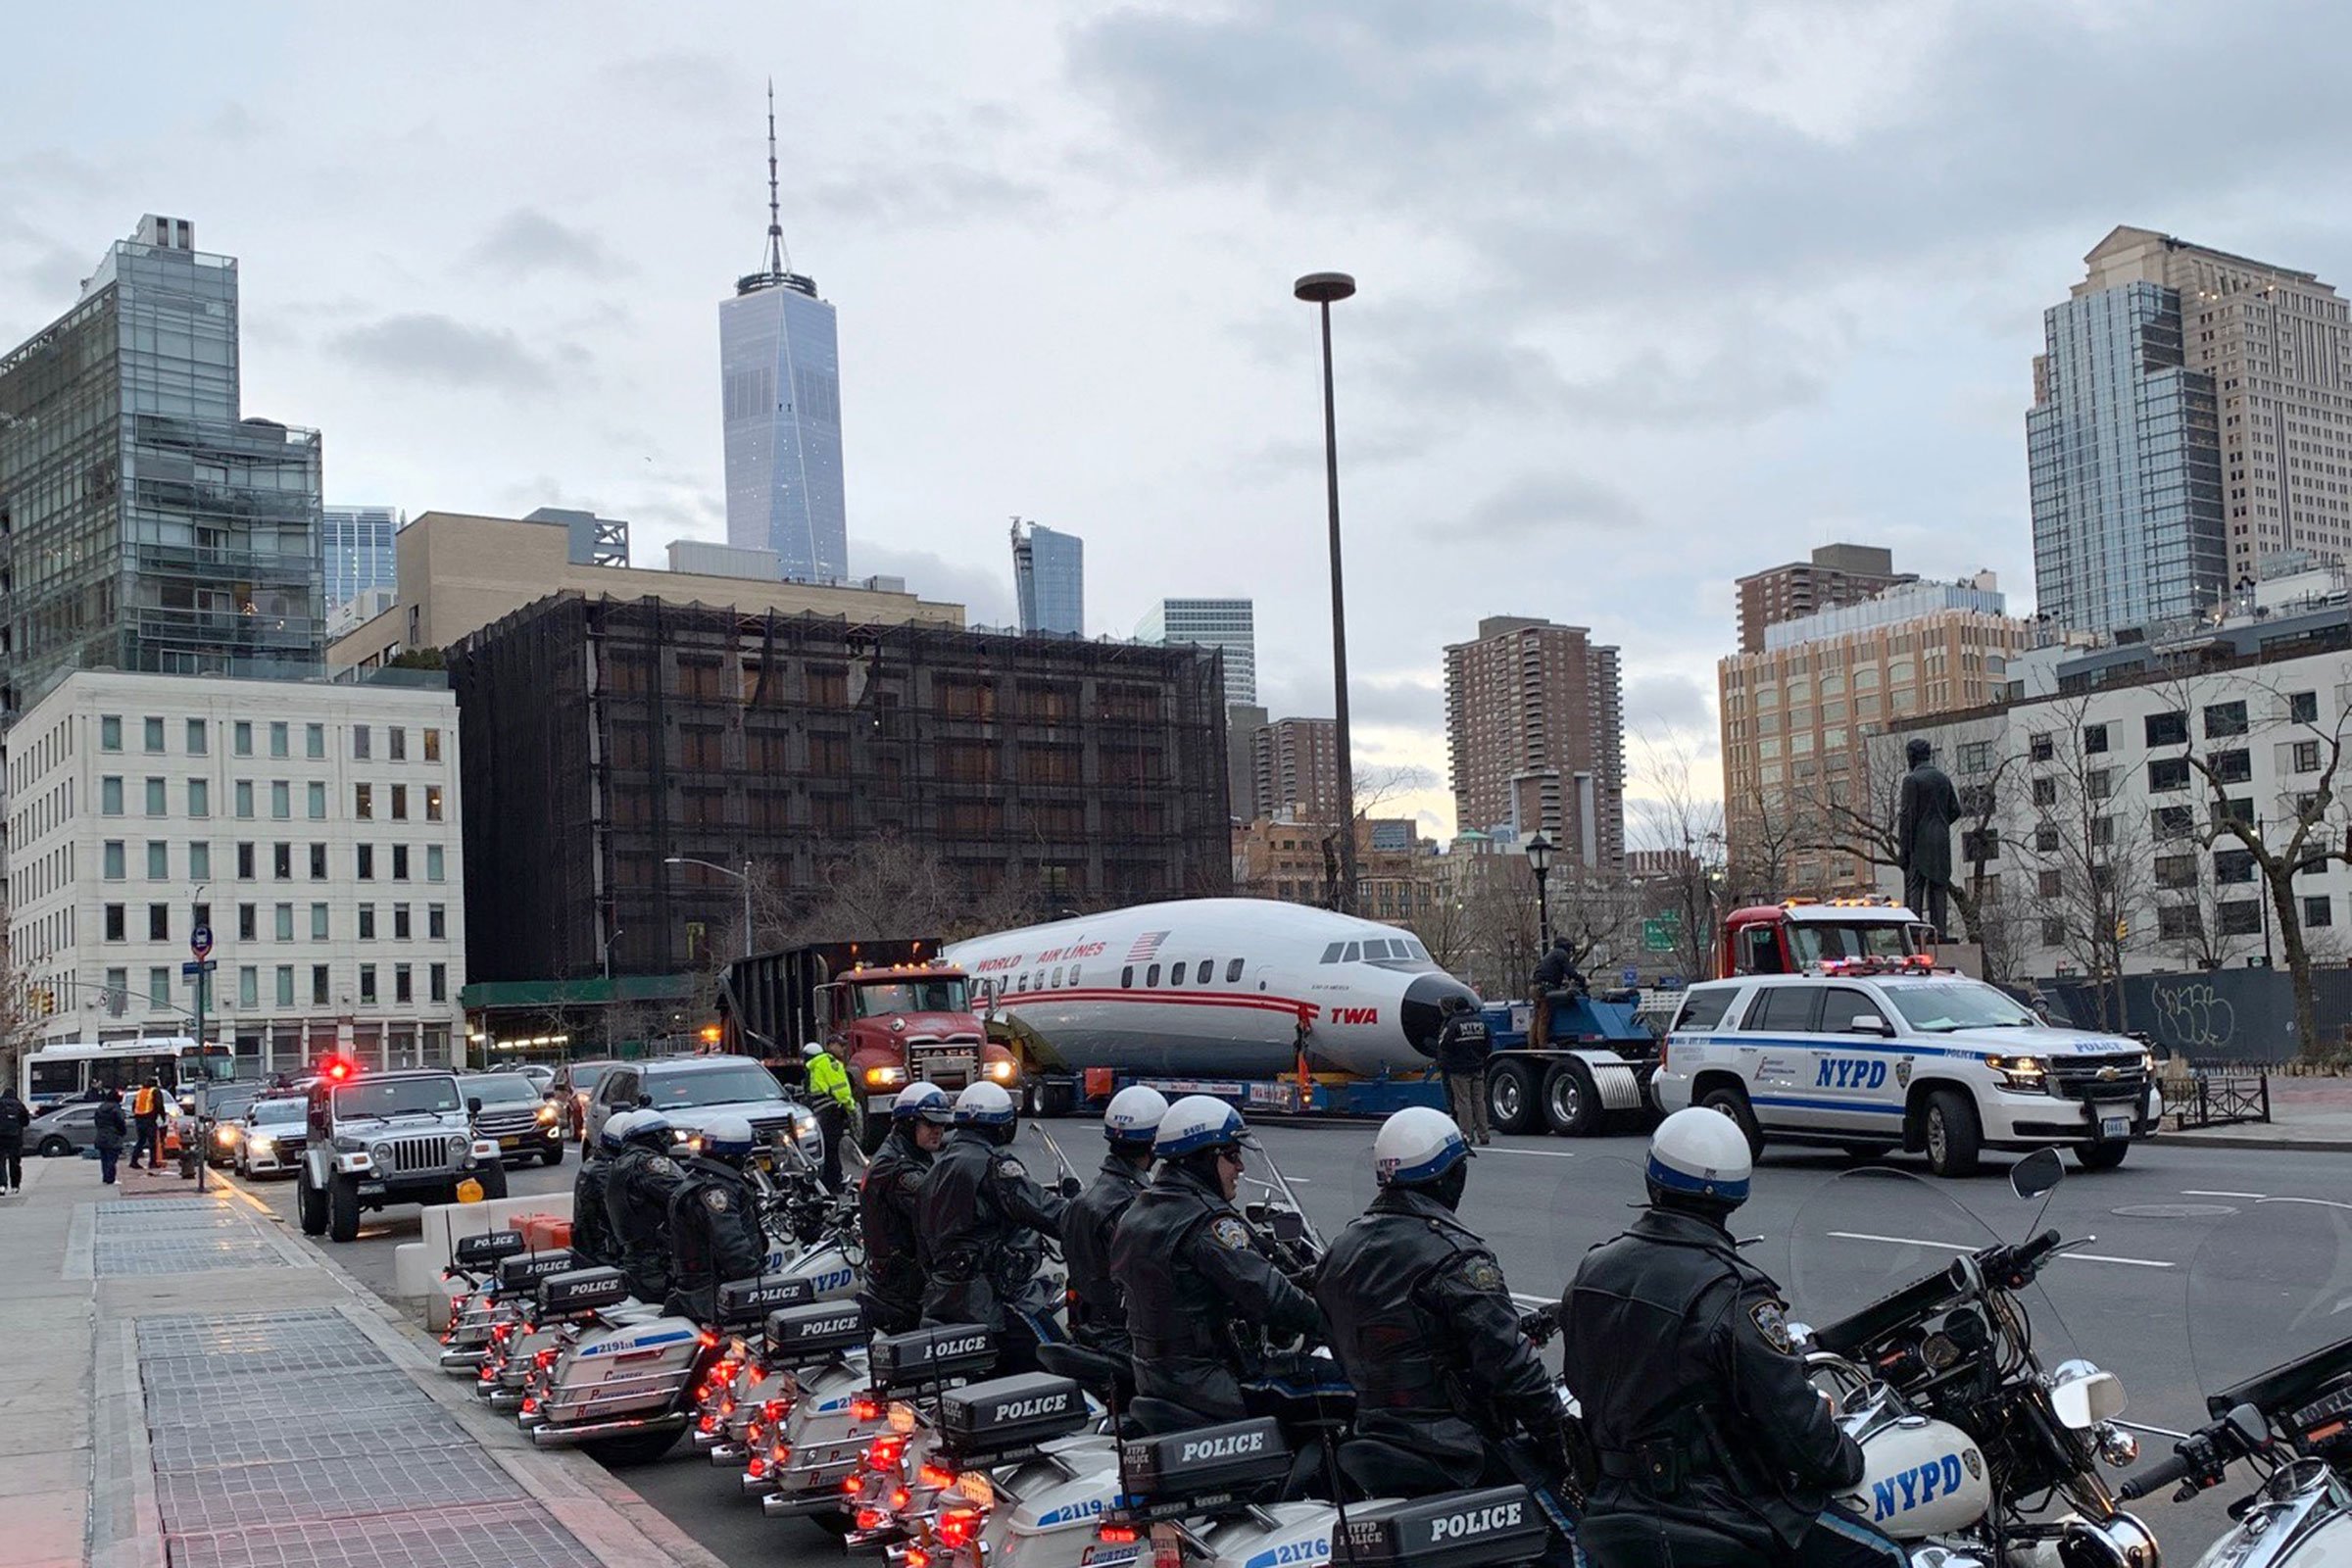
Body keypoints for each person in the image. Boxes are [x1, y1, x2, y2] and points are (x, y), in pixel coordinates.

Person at [1560, 1108, 1897, 1568]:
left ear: (1652, 1179)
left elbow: (1579, 1381)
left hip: (1613, 1499)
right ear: (1735, 1196)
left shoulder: (1593, 1269)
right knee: (1888, 1555)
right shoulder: (1733, 1292)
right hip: (1717, 1512)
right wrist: (1846, 1459)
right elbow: (1792, 1421)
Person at [1317, 1108, 1570, 1488]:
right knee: (1569, 1514)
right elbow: (1511, 1365)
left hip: (1376, 1435)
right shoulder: (1457, 1257)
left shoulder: (1339, 1251)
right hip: (1458, 1448)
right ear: (1450, 1175)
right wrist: (1563, 1441)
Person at [1110, 1096, 1324, 1425]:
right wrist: (1331, 1323)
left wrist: (1299, 1281)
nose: (1240, 1167)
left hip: (1157, 1375)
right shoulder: (1207, 1223)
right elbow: (1270, 1295)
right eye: (1232, 1156)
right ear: (1203, 1159)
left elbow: (1204, 1289)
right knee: (1343, 1388)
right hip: (1212, 1381)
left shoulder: (1139, 1211)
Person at [915, 1081, 1074, 1373]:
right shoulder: (994, 1167)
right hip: (993, 1302)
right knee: (1061, 1358)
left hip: (942, 1297)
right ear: (1001, 1125)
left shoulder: (933, 1172)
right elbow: (1043, 1209)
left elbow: (922, 1244)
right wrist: (1085, 1218)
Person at [1061, 1086, 1167, 1354]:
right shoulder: (1137, 1207)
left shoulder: (1083, 1200)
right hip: (1128, 1338)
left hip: (1088, 1329)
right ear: (1156, 1141)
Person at [858, 1083, 955, 1334]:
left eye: (942, 1125)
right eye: (931, 1124)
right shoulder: (898, 1167)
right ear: (909, 1123)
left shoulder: (910, 1152)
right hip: (902, 1286)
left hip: (901, 1276)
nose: (938, 1131)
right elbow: (937, 1208)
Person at [664, 1113, 771, 1323]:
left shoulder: (700, 1179)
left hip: (700, 1287)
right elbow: (731, 1245)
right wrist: (759, 1283)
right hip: (713, 1293)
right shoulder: (717, 1190)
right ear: (734, 1156)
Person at [604, 1111, 687, 1303]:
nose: (669, 1142)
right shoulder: (647, 1164)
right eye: (666, 1136)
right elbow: (682, 1195)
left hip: (636, 1258)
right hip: (656, 1261)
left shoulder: (621, 1164)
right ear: (654, 1137)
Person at [568, 1110, 631, 1269]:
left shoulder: (599, 1163)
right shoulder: (604, 1171)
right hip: (605, 1254)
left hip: (597, 1249)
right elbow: (617, 1215)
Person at [1433, 996, 1494, 1146]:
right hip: (1477, 1067)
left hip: (1459, 1070)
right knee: (1479, 1101)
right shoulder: (1480, 1022)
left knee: (1463, 1102)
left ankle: (1467, 1134)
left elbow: (1444, 1044)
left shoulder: (1453, 1024)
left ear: (1456, 1008)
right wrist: (1480, 1059)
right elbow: (1488, 1045)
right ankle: (1484, 1134)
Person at [802, 1041, 856, 1192]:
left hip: (829, 1113)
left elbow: (838, 1088)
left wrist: (847, 1106)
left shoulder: (822, 1065)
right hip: (827, 1112)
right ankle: (830, 1181)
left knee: (829, 1148)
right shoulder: (824, 1064)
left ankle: (832, 1182)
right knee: (828, 1147)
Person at [1528, 940, 1585, 1053]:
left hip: (1535, 987)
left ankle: (1532, 1046)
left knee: (1537, 1018)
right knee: (1544, 1018)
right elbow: (1570, 972)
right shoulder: (1561, 954)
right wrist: (1582, 979)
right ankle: (1542, 1048)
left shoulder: (1550, 955)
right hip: (1544, 988)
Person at [93, 1090, 129, 1185]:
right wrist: (122, 1132)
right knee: (112, 1159)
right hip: (113, 1136)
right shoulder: (116, 1108)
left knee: (104, 1158)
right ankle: (111, 1178)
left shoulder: (100, 1107)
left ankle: (106, 1177)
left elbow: (96, 1121)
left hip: (101, 1135)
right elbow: (120, 1122)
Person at [0, 1086, 28, 1195]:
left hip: (1, 1137)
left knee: (0, 1162)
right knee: (15, 1162)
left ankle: (2, 1185)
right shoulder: (19, 1105)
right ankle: (15, 1185)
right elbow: (26, 1122)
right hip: (15, 1138)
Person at [128, 1078, 161, 1169]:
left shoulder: (140, 1092)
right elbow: (159, 1105)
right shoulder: (154, 1091)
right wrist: (162, 1116)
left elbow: (134, 1105)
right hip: (149, 1118)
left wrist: (136, 1114)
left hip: (139, 1119)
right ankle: (152, 1163)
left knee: (141, 1141)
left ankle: (133, 1161)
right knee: (152, 1142)